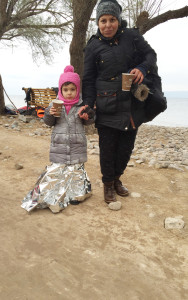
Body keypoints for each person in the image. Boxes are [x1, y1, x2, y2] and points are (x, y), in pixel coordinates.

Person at [82, 0, 167, 204]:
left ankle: (117, 179)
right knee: (108, 148)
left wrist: (143, 68)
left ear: (119, 21)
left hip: (132, 104)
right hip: (107, 104)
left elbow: (150, 55)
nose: (108, 25)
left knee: (126, 148)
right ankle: (108, 184)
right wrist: (87, 103)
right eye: (103, 20)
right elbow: (88, 80)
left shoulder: (133, 36)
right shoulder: (93, 46)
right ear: (98, 22)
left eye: (112, 20)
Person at [21, 65, 95, 213]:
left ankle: (78, 193)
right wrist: (49, 114)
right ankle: (47, 197)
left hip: (77, 144)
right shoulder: (53, 105)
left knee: (76, 171)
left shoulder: (82, 105)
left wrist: (87, 116)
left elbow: (89, 121)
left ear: (77, 90)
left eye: (72, 90)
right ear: (60, 90)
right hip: (59, 145)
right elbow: (48, 122)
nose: (69, 93)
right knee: (56, 172)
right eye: (66, 90)